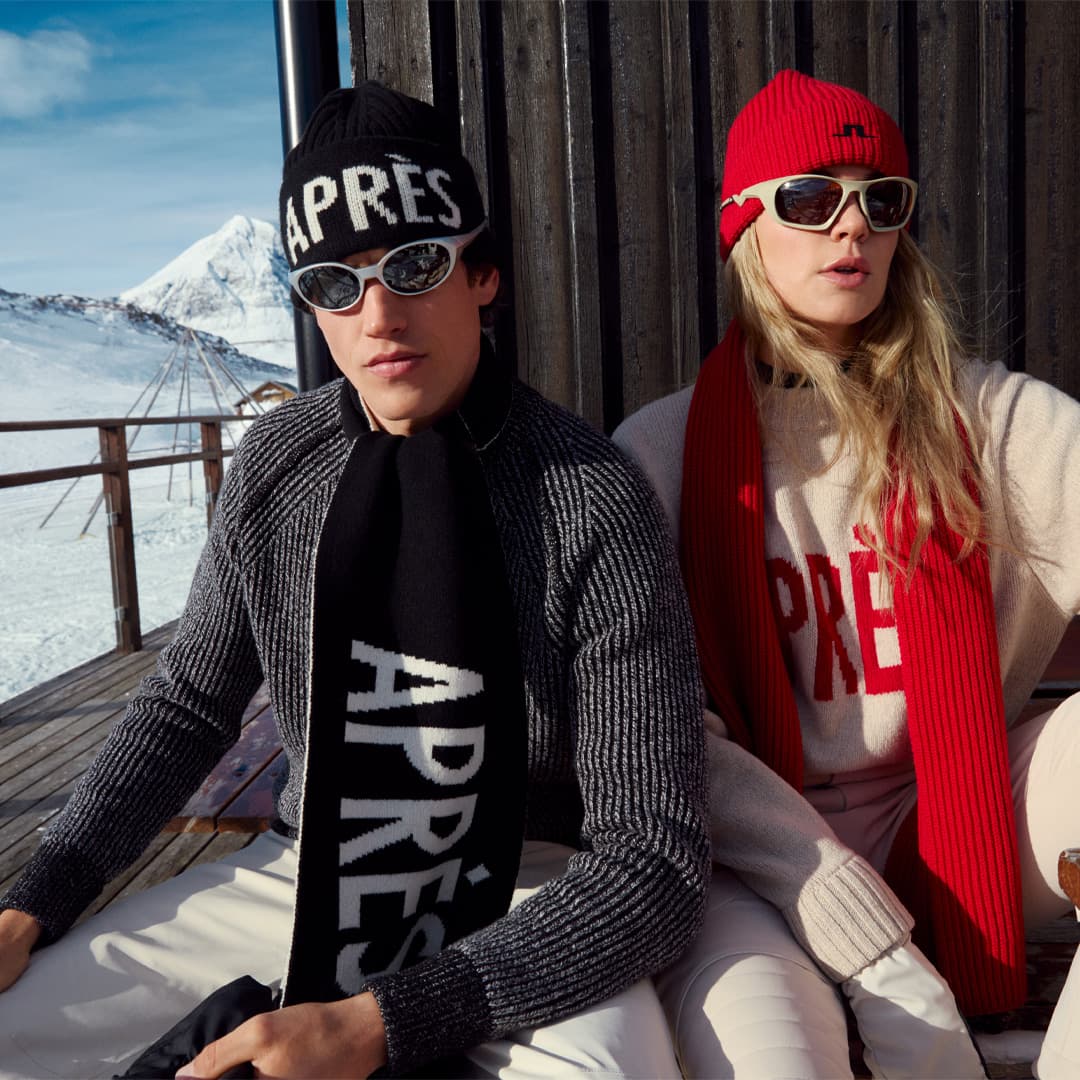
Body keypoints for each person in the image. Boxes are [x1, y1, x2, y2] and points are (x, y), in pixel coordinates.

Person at [0, 81, 710, 1079]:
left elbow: (654, 856)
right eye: (336, 282)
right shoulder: (280, 464)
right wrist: (36, 897)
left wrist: (384, 1021)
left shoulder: (592, 495)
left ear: (484, 272)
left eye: (415, 264)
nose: (378, 313)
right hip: (308, 865)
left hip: (530, 888)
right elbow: (187, 706)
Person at [615, 68, 1080, 1079]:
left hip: (957, 816)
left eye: (882, 199)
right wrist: (822, 884)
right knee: (782, 1063)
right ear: (744, 225)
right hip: (753, 856)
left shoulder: (988, 421)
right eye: (811, 197)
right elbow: (651, 728)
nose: (852, 229)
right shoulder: (661, 453)